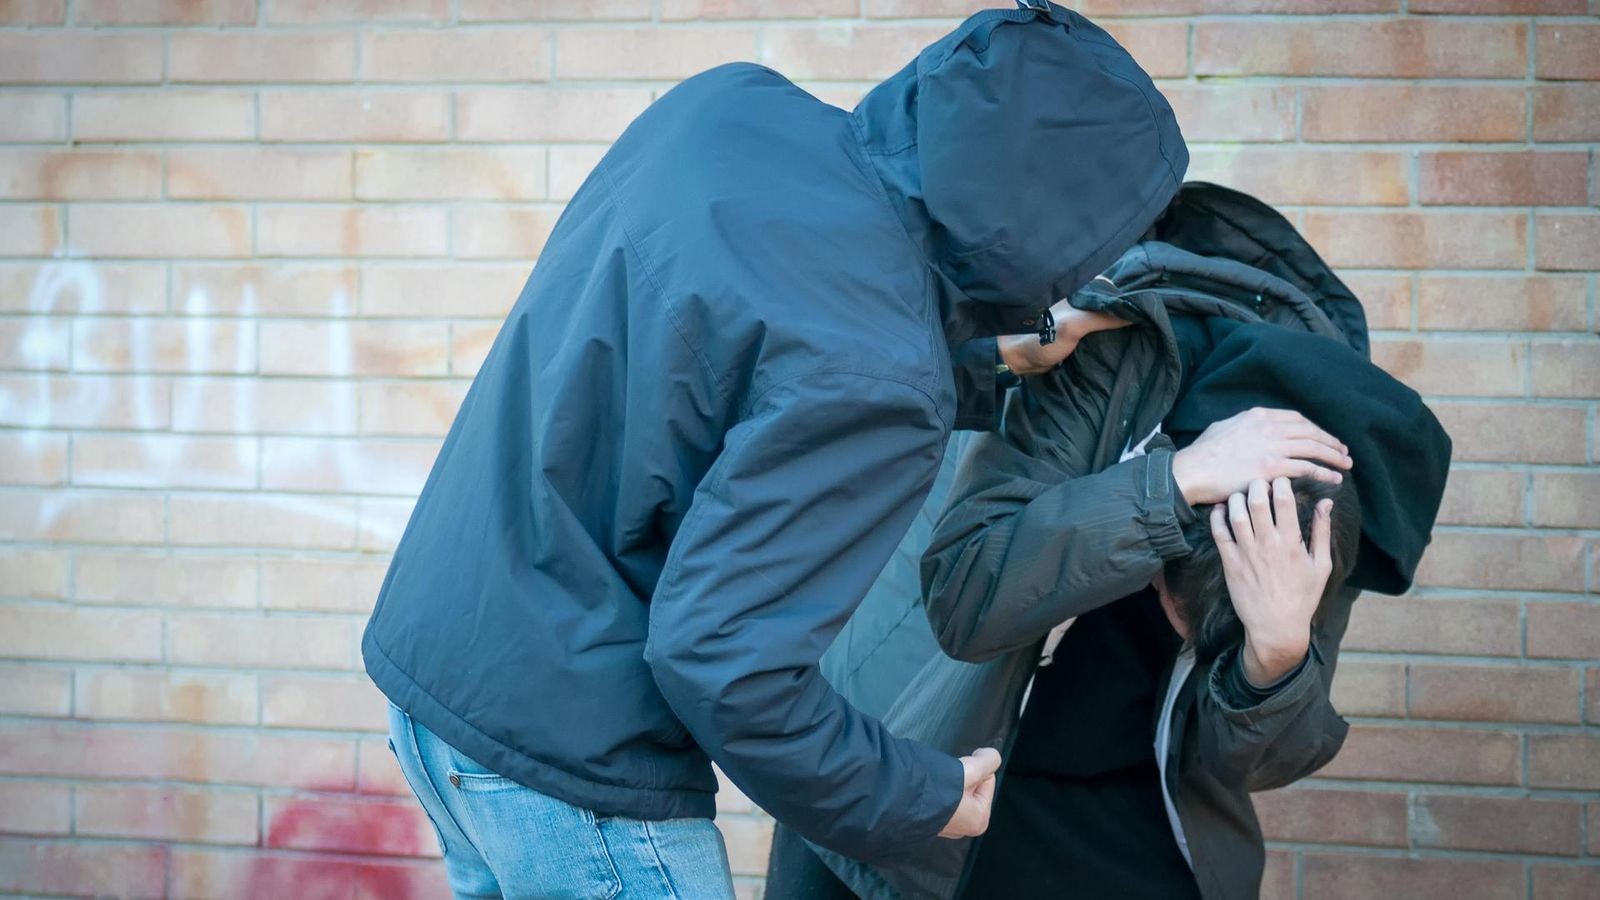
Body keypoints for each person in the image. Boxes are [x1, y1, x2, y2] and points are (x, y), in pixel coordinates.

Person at [361, 1, 1188, 896]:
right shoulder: (880, 375)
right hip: (575, 769)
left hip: (442, 689)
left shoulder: (726, 106)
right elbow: (723, 663)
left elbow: (747, 347)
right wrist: (917, 797)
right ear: (1060, 216)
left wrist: (981, 356)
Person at [771, 183, 1451, 900]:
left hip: (1134, 800)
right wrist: (1168, 486)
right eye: (1175, 606)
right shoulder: (1093, 351)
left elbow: (1249, 760)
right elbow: (968, 597)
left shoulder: (1323, 491)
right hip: (923, 724)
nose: (1177, 630)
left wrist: (1275, 657)